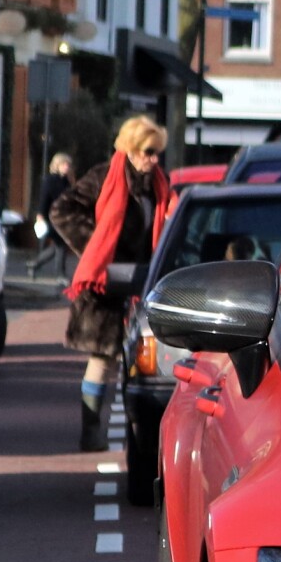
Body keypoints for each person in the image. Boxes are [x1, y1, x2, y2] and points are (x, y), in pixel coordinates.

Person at [64, 119, 171, 450]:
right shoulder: (102, 177)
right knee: (103, 359)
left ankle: (140, 438)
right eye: (148, 152)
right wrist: (96, 247)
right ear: (131, 149)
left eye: (158, 153)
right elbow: (62, 209)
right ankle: (90, 432)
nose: (154, 160)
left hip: (143, 282)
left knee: (143, 363)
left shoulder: (158, 185)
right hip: (104, 284)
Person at [32, 152, 75, 275]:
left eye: (68, 165)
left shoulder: (66, 181)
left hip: (62, 218)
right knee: (61, 244)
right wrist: (40, 215)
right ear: (57, 165)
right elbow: (44, 198)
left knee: (58, 246)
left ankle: (34, 264)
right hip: (51, 217)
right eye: (64, 164)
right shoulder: (50, 180)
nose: (67, 167)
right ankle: (60, 274)